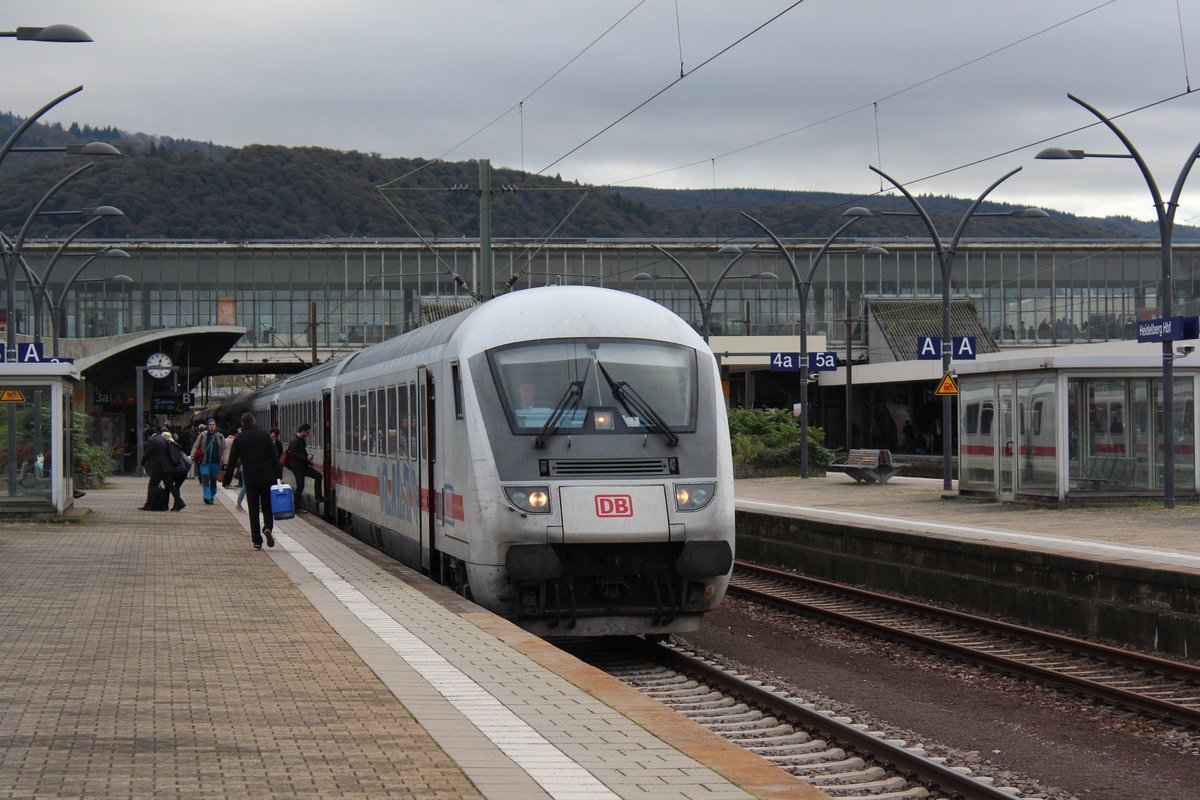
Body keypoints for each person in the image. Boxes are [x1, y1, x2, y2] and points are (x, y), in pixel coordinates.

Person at [223, 411, 283, 550]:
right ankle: (267, 527)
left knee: (253, 510)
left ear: (242, 424)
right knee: (267, 506)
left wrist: (226, 480)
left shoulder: (240, 438)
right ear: (254, 421)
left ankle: (257, 541)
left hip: (250, 478)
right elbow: (274, 457)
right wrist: (278, 475)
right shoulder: (264, 435)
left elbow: (232, 461)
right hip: (267, 477)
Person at [286, 423, 323, 510]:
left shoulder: (299, 440)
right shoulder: (295, 441)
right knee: (300, 486)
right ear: (302, 431)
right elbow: (294, 455)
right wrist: (306, 458)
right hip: (297, 468)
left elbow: (299, 454)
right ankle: (296, 507)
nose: (308, 435)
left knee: (318, 476)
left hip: (303, 467)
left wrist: (308, 459)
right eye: (307, 432)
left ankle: (318, 497)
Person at [139, 429, 175, 511]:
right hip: (166, 467)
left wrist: (142, 463)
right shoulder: (162, 438)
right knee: (170, 486)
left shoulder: (152, 440)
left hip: (158, 467)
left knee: (152, 486)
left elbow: (147, 454)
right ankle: (179, 502)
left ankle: (149, 505)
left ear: (148, 435)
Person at [192, 418, 226, 505]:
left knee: (213, 481)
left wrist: (224, 462)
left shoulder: (220, 436)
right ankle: (207, 497)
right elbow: (196, 446)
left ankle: (211, 496)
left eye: (213, 424)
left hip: (216, 462)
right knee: (206, 480)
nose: (212, 426)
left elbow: (224, 449)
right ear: (208, 426)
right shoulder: (203, 435)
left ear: (215, 426)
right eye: (210, 424)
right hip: (204, 462)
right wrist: (192, 456)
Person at [162, 431, 189, 511]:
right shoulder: (176, 445)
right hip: (183, 470)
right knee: (176, 487)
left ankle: (168, 505)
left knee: (168, 486)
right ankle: (176, 506)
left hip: (175, 470)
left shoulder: (167, 446)